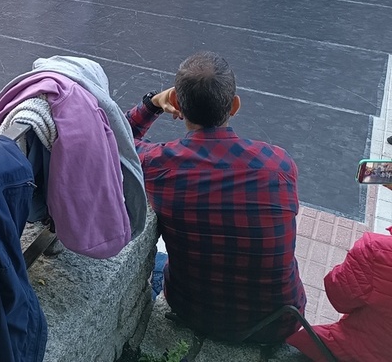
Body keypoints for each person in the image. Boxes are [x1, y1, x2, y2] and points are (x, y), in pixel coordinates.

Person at [129, 52, 304, 343]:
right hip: (277, 323)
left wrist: (150, 105)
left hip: (194, 313)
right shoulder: (279, 165)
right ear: (234, 106)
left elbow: (115, 139)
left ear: (178, 106)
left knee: (160, 262)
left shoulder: (157, 164)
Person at [287, 228, 392, 362]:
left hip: (351, 352)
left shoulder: (375, 250)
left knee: (303, 344)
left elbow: (338, 298)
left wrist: (353, 263)